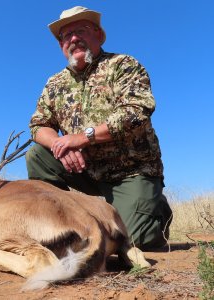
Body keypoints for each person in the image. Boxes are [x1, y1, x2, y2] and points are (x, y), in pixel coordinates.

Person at [25, 6, 172, 250]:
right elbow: (38, 125)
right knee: (38, 156)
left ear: (98, 35)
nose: (73, 39)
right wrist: (60, 144)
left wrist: (83, 138)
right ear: (61, 45)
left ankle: (156, 210)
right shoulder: (54, 84)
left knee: (130, 242)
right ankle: (59, 226)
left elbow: (137, 111)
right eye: (65, 35)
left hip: (130, 172)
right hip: (85, 171)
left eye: (80, 30)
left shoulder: (122, 64)